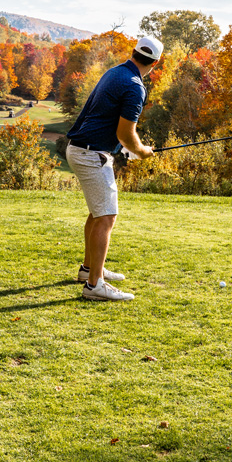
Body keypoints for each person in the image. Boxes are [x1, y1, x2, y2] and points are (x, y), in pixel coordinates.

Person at [63, 36, 163, 301]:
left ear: (134, 53)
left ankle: (88, 270)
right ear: (155, 63)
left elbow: (118, 132)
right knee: (107, 216)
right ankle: (95, 285)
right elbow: (125, 134)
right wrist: (142, 151)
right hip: (91, 153)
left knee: (98, 214)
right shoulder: (134, 87)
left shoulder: (116, 72)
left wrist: (130, 147)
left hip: (80, 148)